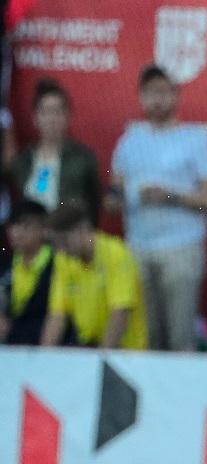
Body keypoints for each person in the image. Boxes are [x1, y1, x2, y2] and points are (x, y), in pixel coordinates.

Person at [108, 63, 207, 351]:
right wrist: (125, 197)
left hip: (181, 249)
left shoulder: (195, 139)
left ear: (175, 95)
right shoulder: (128, 141)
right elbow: (111, 199)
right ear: (140, 97)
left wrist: (171, 196)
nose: (157, 100)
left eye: (163, 92)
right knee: (145, 339)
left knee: (179, 338)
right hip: (137, 249)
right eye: (149, 93)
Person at [41, 201, 148, 350]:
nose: (60, 250)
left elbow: (120, 314)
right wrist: (45, 356)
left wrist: (100, 359)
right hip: (88, 346)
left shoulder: (117, 254)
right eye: (56, 244)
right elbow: (57, 314)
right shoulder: (64, 260)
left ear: (82, 230)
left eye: (64, 241)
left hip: (125, 352)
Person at [7, 78, 101, 220]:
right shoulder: (23, 160)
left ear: (68, 116)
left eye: (58, 111)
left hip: (66, 238)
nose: (52, 119)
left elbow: (94, 205)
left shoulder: (83, 158)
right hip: (32, 239)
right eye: (46, 112)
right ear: (35, 117)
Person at [1, 199, 63, 344]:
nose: (16, 232)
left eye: (26, 226)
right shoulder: (5, 266)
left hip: (48, 347)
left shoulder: (58, 265)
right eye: (13, 225)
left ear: (44, 229)